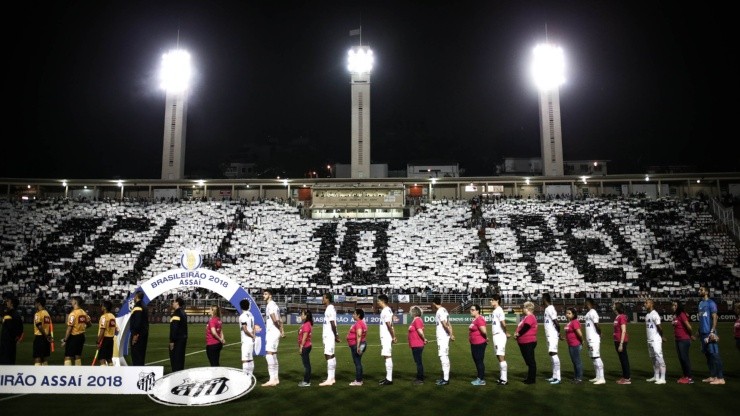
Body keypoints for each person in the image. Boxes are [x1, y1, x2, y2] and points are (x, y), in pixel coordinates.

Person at [697, 286, 725, 384]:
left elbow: (715, 317)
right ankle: (713, 376)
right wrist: (698, 332)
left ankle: (721, 378)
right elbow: (701, 320)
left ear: (707, 292)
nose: (699, 291)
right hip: (703, 333)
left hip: (710, 333)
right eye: (699, 289)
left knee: (715, 355)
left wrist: (712, 331)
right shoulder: (700, 303)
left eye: (701, 290)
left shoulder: (711, 303)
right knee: (708, 355)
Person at [262, 289, 285, 387]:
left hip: (272, 331)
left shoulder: (270, 305)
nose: (263, 295)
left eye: (265, 294)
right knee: (273, 354)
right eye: (263, 294)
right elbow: (280, 319)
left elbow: (274, 319)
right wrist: (282, 330)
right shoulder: (275, 305)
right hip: (275, 332)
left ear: (270, 295)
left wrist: (280, 329)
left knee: (268, 353)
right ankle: (276, 378)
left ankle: (272, 379)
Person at [62, 295, 91, 366]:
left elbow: (69, 328)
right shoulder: (84, 313)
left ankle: (68, 374)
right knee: (77, 356)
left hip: (74, 337)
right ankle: (78, 373)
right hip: (81, 337)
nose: (71, 302)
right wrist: (81, 328)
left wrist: (65, 340)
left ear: (75, 302)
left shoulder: (73, 314)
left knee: (68, 357)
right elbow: (89, 324)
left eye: (72, 300)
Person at [432, 296, 454, 386]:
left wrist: (450, 334)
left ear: (434, 303)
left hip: (443, 337)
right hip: (444, 336)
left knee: (443, 356)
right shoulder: (444, 310)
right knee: (444, 356)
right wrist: (451, 334)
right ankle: (445, 378)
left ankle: (445, 379)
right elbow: (449, 323)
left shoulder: (440, 311)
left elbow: (445, 324)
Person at [319, 292, 340, 386]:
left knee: (329, 355)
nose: (322, 299)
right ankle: (331, 377)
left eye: (323, 298)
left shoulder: (330, 309)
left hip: (329, 336)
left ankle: (330, 379)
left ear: (327, 299)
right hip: (327, 335)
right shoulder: (328, 308)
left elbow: (333, 323)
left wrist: (336, 335)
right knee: (330, 355)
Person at [489, 294, 510, 385]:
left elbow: (503, 323)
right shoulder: (495, 310)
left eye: (492, 300)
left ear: (497, 300)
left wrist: (506, 333)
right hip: (496, 336)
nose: (490, 301)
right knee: (499, 355)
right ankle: (502, 378)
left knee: (501, 356)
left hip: (499, 336)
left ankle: (504, 379)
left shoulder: (499, 310)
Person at [514, 301, 537, 384]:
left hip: (528, 342)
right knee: (529, 361)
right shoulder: (526, 317)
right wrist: (517, 333)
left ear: (527, 308)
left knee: (530, 361)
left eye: (524, 307)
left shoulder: (530, 317)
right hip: (524, 342)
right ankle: (530, 378)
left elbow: (526, 327)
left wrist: (518, 333)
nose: (522, 309)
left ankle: (531, 379)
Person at [644, 298, 667, 384]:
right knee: (653, 358)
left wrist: (662, 336)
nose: (645, 304)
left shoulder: (655, 314)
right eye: (645, 303)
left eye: (646, 303)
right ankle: (656, 376)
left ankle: (663, 378)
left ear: (651, 304)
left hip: (656, 339)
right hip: (649, 339)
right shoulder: (647, 315)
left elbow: (659, 327)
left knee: (659, 357)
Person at [672, 300, 694, 384]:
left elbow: (689, 327)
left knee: (685, 358)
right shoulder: (676, 315)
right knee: (681, 358)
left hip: (683, 340)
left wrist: (690, 335)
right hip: (678, 340)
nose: (673, 306)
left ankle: (689, 378)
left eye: (675, 305)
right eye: (672, 305)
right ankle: (685, 376)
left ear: (678, 306)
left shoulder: (682, 314)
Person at [584, 298, 605, 384]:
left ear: (588, 304)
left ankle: (602, 378)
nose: (584, 305)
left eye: (585, 303)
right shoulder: (588, 313)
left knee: (596, 356)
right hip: (590, 339)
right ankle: (597, 376)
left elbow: (596, 324)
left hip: (594, 339)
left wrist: (600, 333)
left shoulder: (593, 312)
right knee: (593, 357)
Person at [377, 294, 397, 385]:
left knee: (387, 356)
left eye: (378, 301)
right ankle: (388, 378)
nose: (377, 302)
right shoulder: (387, 310)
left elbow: (389, 325)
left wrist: (393, 337)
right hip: (385, 336)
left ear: (382, 301)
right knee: (386, 356)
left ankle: (389, 379)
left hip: (386, 336)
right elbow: (391, 325)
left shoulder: (386, 311)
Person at [562, 307, 584, 383]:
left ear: (573, 314)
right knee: (574, 361)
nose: (567, 314)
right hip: (571, 344)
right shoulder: (569, 322)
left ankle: (579, 378)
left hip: (575, 344)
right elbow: (569, 334)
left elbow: (580, 334)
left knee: (577, 361)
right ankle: (576, 377)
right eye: (566, 313)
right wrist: (564, 338)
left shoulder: (575, 322)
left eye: (569, 313)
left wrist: (582, 342)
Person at [542, 293, 561, 384]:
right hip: (549, 335)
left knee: (553, 354)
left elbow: (556, 323)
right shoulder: (547, 309)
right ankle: (554, 376)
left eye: (542, 298)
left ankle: (558, 377)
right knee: (551, 354)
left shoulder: (550, 309)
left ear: (545, 299)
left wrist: (558, 333)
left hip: (552, 335)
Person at [0, 294, 23, 365]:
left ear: (12, 303)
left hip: (9, 344)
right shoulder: (8, 313)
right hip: (4, 343)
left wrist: (15, 338)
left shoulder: (14, 315)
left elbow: (20, 329)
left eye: (8, 301)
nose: (6, 302)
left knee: (7, 363)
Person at [347, 308, 368, 386]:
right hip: (362, 343)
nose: (353, 315)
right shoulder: (363, 323)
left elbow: (359, 334)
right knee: (358, 361)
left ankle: (358, 381)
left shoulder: (358, 323)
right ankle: (359, 379)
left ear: (358, 315)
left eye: (354, 314)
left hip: (357, 344)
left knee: (357, 362)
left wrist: (358, 346)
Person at [408, 305, 428, 385]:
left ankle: (420, 379)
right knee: (417, 361)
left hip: (417, 344)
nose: (410, 312)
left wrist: (424, 339)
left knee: (418, 362)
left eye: (411, 311)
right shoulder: (416, 320)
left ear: (414, 312)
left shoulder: (417, 320)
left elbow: (420, 331)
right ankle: (419, 377)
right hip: (415, 344)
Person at [468, 304, 488, 385]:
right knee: (477, 360)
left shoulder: (479, 319)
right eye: (470, 309)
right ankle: (479, 377)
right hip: (475, 343)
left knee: (479, 361)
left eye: (473, 310)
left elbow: (484, 331)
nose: (471, 311)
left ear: (477, 311)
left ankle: (481, 379)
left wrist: (486, 337)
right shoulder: (475, 319)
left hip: (479, 343)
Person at [613, 302, 631, 384]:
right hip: (617, 340)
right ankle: (625, 377)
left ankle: (627, 378)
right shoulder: (617, 317)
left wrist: (621, 343)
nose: (612, 306)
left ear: (617, 307)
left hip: (621, 341)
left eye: (614, 305)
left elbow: (624, 330)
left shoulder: (622, 317)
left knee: (624, 359)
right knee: (622, 359)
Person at [129, 290, 149, 366]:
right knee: (141, 355)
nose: (133, 297)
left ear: (136, 296)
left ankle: (136, 373)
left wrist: (135, 334)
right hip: (143, 333)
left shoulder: (138, 306)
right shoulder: (144, 305)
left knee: (136, 355)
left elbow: (137, 322)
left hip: (138, 335)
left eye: (134, 296)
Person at [96, 300, 118, 366]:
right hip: (111, 340)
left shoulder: (103, 317)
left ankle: (104, 374)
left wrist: (98, 341)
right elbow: (116, 330)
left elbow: (102, 330)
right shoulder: (113, 316)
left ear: (105, 307)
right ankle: (111, 373)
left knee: (102, 359)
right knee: (109, 359)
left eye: (102, 306)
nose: (101, 307)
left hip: (104, 339)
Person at [239, 298, 257, 378]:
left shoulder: (243, 316)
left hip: (246, 340)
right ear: (248, 306)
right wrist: (254, 336)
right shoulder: (251, 315)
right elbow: (253, 327)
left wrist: (252, 335)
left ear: (241, 307)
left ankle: (245, 378)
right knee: (250, 359)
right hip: (251, 340)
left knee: (245, 360)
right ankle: (250, 376)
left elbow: (245, 329)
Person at [169, 297, 188, 372]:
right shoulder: (183, 312)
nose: (172, 303)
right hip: (183, 339)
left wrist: (172, 341)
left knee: (175, 361)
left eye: (173, 302)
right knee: (180, 360)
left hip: (177, 340)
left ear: (177, 303)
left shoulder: (176, 313)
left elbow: (174, 328)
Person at [33, 296, 52, 366]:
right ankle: (45, 374)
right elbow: (49, 326)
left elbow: (39, 326)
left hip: (40, 337)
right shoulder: (47, 313)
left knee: (37, 358)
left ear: (39, 304)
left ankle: (37, 375)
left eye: (35, 303)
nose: (35, 305)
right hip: (46, 338)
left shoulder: (38, 314)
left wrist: (46, 336)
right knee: (44, 358)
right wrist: (48, 336)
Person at [298, 309, 313, 387]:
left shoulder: (307, 324)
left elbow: (305, 337)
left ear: (306, 316)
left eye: (302, 314)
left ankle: (306, 381)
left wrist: (301, 346)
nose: (301, 315)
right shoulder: (306, 324)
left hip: (305, 346)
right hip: (306, 346)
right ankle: (306, 380)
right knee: (306, 364)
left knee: (307, 365)